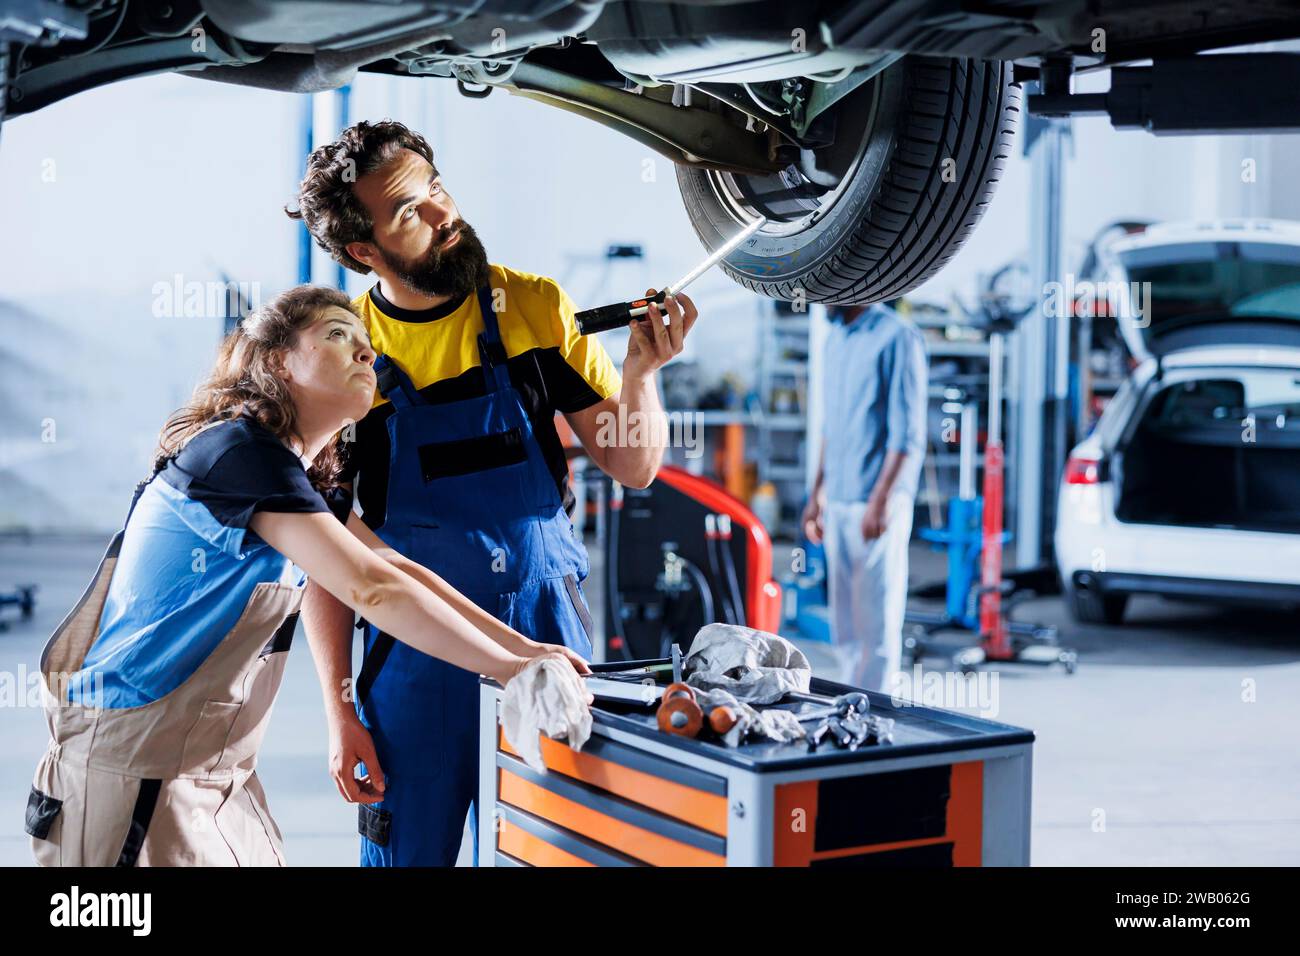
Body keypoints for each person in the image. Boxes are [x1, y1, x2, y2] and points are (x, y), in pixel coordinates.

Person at [26, 285, 588, 867]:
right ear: (278, 361)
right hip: (128, 775)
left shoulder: (294, 478)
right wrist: (513, 670)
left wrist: (526, 650)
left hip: (212, 775)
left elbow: (393, 567)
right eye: (337, 336)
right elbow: (373, 590)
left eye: (368, 345)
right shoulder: (241, 457)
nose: (365, 353)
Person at [287, 119, 697, 866]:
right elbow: (327, 558)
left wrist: (641, 377)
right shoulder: (349, 358)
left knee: (551, 851)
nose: (446, 214)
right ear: (362, 249)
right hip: (413, 657)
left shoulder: (533, 307)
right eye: (412, 211)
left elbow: (634, 467)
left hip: (547, 638)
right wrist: (339, 709)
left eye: (437, 190)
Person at [802, 302, 928, 693]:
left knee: (875, 620)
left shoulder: (898, 336)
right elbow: (829, 426)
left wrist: (882, 500)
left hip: (876, 501)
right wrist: (817, 492)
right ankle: (853, 699)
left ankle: (877, 703)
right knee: (846, 620)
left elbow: (907, 434)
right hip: (838, 496)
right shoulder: (834, 339)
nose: (818, 303)